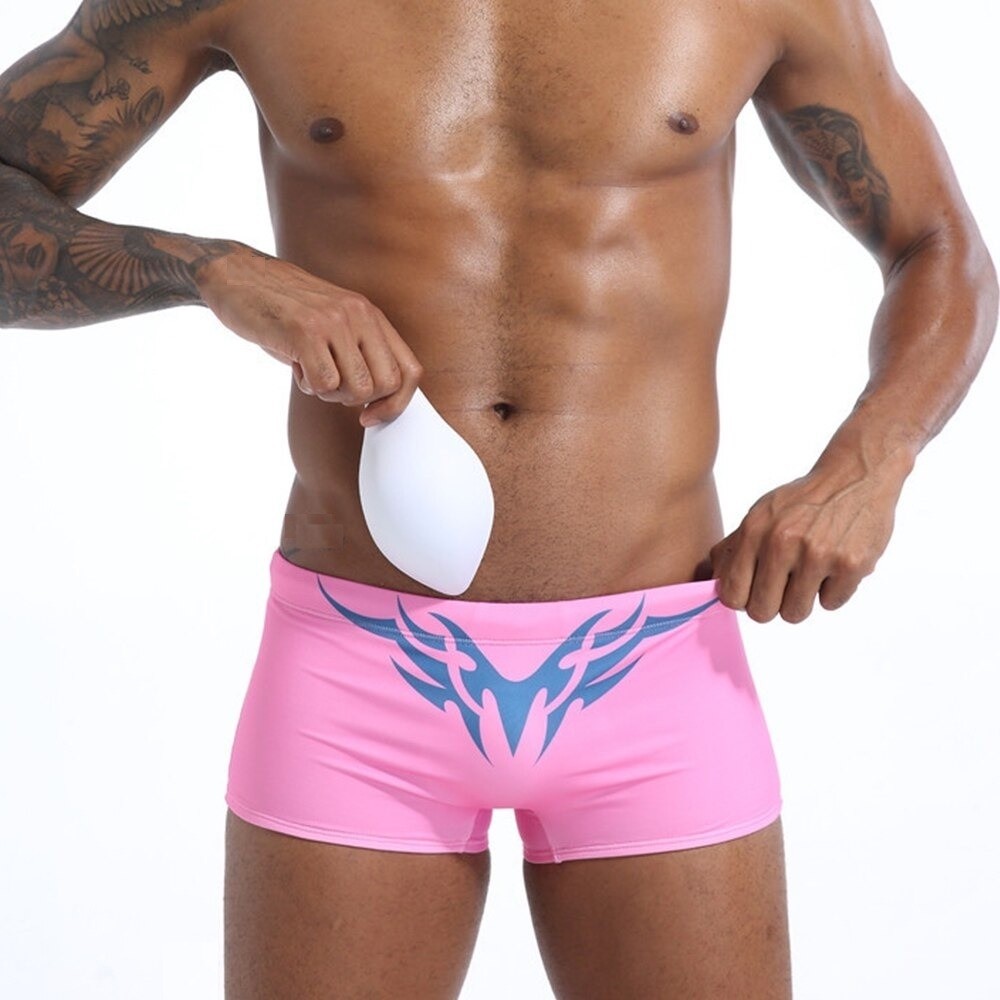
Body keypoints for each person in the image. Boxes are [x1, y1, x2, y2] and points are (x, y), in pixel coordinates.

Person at [0, 1, 995, 997]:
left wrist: (869, 461)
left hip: (657, 671)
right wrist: (215, 270)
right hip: (357, 681)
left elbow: (938, 242)